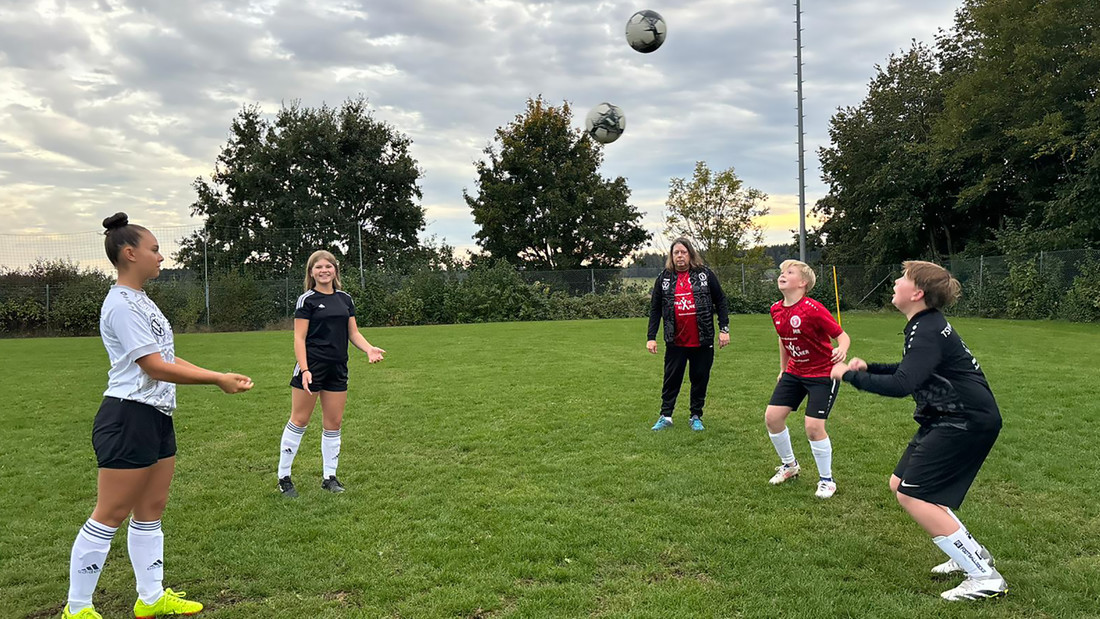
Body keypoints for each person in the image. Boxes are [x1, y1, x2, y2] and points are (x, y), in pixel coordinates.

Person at [62, 213, 254, 619]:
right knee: (110, 513)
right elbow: (154, 366)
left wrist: (215, 373)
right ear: (129, 254)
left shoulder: (142, 300)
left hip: (156, 414)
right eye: (154, 250)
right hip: (127, 416)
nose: (161, 257)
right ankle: (77, 608)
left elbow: (165, 357)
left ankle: (150, 597)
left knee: (152, 507)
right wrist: (216, 380)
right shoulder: (120, 304)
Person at [831, 260, 1007, 601]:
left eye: (902, 278)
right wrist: (871, 366)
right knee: (900, 484)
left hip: (964, 420)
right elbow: (916, 369)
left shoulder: (926, 328)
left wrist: (849, 375)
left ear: (917, 293)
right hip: (946, 417)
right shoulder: (925, 325)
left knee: (913, 494)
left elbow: (902, 385)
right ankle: (972, 554)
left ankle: (984, 577)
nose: (895, 282)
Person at [276, 250, 385, 497]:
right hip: (311, 368)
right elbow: (299, 337)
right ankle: (284, 477)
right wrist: (304, 369)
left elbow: (353, 333)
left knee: (333, 423)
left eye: (328, 267)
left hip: (338, 368)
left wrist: (369, 349)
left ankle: (329, 477)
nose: (324, 271)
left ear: (335, 270)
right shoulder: (307, 300)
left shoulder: (345, 299)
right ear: (311, 272)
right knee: (299, 420)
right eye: (318, 267)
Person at [764, 260, 850, 499]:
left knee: (813, 427)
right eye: (781, 272)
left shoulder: (813, 308)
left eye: (789, 272)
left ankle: (827, 480)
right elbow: (783, 339)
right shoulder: (775, 309)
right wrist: (783, 368)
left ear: (803, 283)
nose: (782, 275)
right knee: (772, 418)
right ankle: (790, 466)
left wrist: (842, 349)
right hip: (795, 372)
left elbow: (842, 336)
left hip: (823, 372)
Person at [645, 238, 730, 431]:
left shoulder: (705, 275)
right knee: (671, 378)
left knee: (699, 378)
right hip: (675, 341)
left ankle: (696, 416)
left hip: (702, 339)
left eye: (683, 252)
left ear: (690, 254)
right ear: (671, 256)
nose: (680, 256)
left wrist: (724, 329)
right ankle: (666, 416)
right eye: (676, 253)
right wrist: (651, 337)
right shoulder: (664, 278)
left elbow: (721, 301)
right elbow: (655, 309)